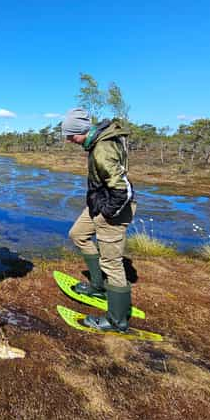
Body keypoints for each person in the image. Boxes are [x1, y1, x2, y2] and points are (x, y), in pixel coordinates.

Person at [63, 108, 136, 332]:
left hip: (112, 210)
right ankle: (97, 286)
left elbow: (122, 190)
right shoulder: (97, 143)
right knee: (78, 234)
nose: (68, 140)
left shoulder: (102, 150)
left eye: (70, 135)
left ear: (82, 131)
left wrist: (106, 214)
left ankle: (117, 321)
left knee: (111, 263)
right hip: (99, 203)